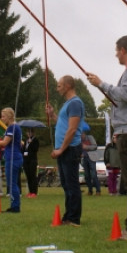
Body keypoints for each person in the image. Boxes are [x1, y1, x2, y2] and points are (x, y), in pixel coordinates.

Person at [88, 35, 127, 241]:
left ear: (123, 50)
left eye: (117, 50)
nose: (116, 54)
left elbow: (126, 95)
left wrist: (102, 84)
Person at [45, 75, 85, 226]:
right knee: (66, 184)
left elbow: (73, 129)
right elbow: (63, 123)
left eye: (59, 85)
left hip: (70, 149)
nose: (57, 88)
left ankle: (73, 218)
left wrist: (61, 149)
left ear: (68, 86)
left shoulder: (75, 103)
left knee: (71, 183)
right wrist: (53, 115)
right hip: (64, 149)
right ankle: (68, 216)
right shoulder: (68, 104)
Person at [0, 108, 24, 213]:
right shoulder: (14, 127)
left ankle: (15, 207)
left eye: (3, 116)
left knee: (12, 184)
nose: (1, 118)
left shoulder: (12, 128)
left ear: (10, 116)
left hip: (13, 158)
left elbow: (4, 143)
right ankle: (14, 205)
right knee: (12, 183)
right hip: (14, 157)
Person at [80, 130, 101, 196]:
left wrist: (86, 147)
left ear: (84, 133)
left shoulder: (90, 137)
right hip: (84, 158)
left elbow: (95, 146)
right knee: (86, 175)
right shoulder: (79, 140)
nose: (81, 136)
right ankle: (90, 190)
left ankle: (98, 190)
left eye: (82, 134)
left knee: (93, 174)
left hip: (91, 158)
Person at [21, 128, 40, 198]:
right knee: (28, 176)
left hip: (32, 160)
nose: (29, 134)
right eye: (28, 132)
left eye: (30, 132)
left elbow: (35, 149)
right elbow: (24, 149)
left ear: (33, 133)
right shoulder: (26, 141)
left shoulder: (35, 140)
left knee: (33, 176)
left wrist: (31, 143)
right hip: (26, 160)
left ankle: (34, 192)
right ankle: (30, 191)